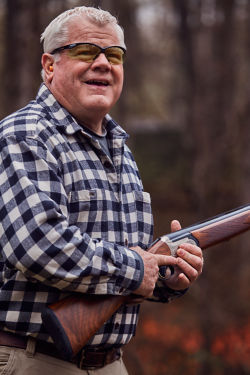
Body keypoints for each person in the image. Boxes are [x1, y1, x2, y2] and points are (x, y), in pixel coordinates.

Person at [0, 6, 203, 375]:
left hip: (111, 363)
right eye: (84, 51)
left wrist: (168, 275)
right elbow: (39, 245)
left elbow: (127, 269)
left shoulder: (119, 147)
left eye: (114, 55)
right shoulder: (24, 135)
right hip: (34, 359)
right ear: (49, 66)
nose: (102, 63)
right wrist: (138, 267)